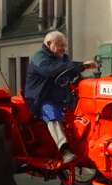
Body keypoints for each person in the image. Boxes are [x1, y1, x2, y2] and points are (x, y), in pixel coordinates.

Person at [24, 31, 97, 165]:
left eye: (65, 46)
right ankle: (64, 149)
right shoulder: (39, 58)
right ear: (49, 44)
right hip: (40, 99)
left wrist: (84, 77)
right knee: (51, 112)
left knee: (81, 110)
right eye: (60, 45)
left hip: (61, 97)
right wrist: (82, 66)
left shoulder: (62, 58)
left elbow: (69, 71)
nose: (63, 49)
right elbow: (52, 70)